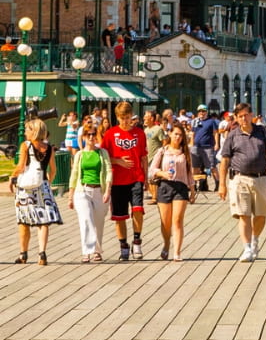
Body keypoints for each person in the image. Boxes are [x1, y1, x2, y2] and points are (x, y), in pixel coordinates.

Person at [218, 101, 266, 261]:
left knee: (261, 215)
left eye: (246, 115)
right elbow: (225, 161)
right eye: (240, 116)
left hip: (260, 178)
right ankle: (246, 248)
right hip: (239, 179)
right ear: (236, 118)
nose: (244, 119)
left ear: (252, 115)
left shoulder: (261, 132)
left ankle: (254, 239)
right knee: (243, 214)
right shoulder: (233, 135)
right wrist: (221, 184)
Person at [101, 100, 148, 262]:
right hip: (117, 180)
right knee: (119, 216)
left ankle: (137, 241)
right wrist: (118, 161)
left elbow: (143, 157)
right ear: (117, 117)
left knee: (137, 209)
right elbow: (103, 157)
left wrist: (146, 178)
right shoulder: (110, 134)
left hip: (136, 177)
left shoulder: (139, 133)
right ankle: (123, 246)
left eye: (128, 117)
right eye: (122, 118)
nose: (125, 121)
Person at [13, 117, 62, 264]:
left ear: (34, 131)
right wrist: (47, 181)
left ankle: (23, 254)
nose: (25, 132)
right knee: (43, 221)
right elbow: (53, 170)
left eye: (27, 129)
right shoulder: (49, 148)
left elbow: (21, 166)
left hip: (26, 189)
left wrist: (13, 177)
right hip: (43, 186)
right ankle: (42, 253)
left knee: (23, 220)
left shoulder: (26, 145)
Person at [149, 121, 194, 260]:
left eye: (180, 135)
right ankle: (167, 243)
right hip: (164, 186)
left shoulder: (185, 152)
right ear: (170, 134)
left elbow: (189, 173)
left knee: (178, 220)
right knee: (165, 222)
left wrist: (192, 189)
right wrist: (161, 173)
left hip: (180, 187)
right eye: (175, 134)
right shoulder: (162, 151)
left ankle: (177, 252)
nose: (178, 137)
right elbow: (151, 171)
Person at [67, 124, 112, 261]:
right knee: (86, 219)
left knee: (98, 222)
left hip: (99, 189)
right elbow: (74, 175)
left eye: (93, 134)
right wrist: (70, 196)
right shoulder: (79, 155)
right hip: (82, 191)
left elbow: (109, 171)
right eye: (88, 135)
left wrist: (108, 190)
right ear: (84, 137)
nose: (91, 137)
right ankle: (86, 251)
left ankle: (97, 251)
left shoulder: (102, 153)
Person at [191, 104, 220, 190]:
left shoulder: (211, 121)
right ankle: (194, 185)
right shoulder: (195, 121)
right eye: (200, 111)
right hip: (196, 147)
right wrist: (191, 145)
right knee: (195, 167)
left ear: (206, 112)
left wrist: (217, 144)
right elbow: (193, 134)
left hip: (208, 147)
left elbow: (215, 133)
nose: (201, 113)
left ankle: (218, 185)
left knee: (212, 166)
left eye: (203, 111)